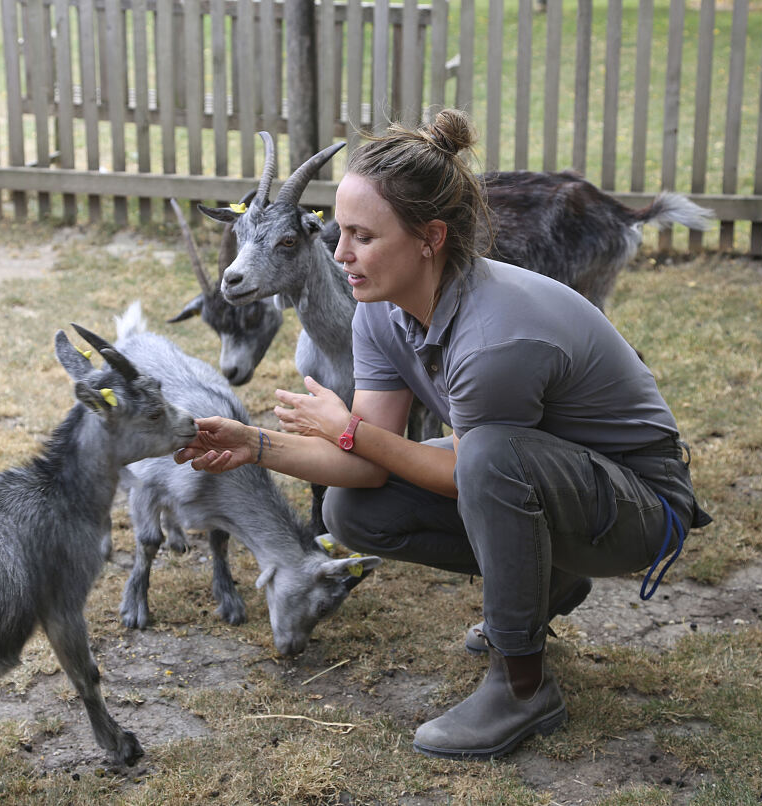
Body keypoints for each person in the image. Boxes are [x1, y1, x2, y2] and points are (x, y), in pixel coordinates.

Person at [174, 109, 712, 760]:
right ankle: (552, 583)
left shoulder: (495, 338)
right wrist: (254, 444)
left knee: (485, 456)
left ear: (430, 238)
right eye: (338, 233)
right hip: (556, 482)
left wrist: (348, 433)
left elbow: (466, 471)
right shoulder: (379, 309)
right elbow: (369, 460)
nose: (339, 254)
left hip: (641, 506)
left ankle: (522, 687)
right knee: (352, 508)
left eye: (362, 237)